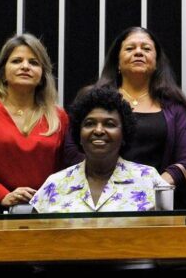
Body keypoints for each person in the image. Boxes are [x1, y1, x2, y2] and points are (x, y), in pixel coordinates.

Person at [68, 27, 186, 204]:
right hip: (99, 196)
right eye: (130, 48)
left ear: (157, 62)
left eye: (146, 49)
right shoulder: (93, 98)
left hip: (157, 199)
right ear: (117, 62)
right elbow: (73, 149)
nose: (138, 52)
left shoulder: (173, 105)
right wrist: (107, 185)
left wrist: (157, 186)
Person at [0, 33, 68, 209]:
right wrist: (1, 194)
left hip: (46, 213)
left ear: (42, 75)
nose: (25, 66)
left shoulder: (58, 117)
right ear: (3, 72)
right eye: (16, 61)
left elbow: (68, 172)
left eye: (34, 62)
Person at [30, 86, 169, 213]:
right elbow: (31, 238)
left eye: (109, 124)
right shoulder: (55, 183)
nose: (98, 130)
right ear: (78, 134)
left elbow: (169, 236)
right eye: (89, 124)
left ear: (124, 134)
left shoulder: (149, 179)